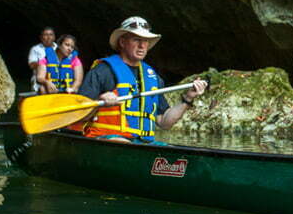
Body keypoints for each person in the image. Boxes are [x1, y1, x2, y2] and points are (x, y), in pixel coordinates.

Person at [77, 16, 207, 142]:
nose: (142, 45)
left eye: (145, 41)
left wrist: (188, 98)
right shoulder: (103, 71)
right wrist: (99, 102)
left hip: (142, 144)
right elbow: (78, 115)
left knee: (167, 151)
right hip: (106, 139)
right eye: (136, 39)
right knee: (122, 143)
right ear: (122, 42)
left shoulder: (153, 77)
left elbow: (164, 123)